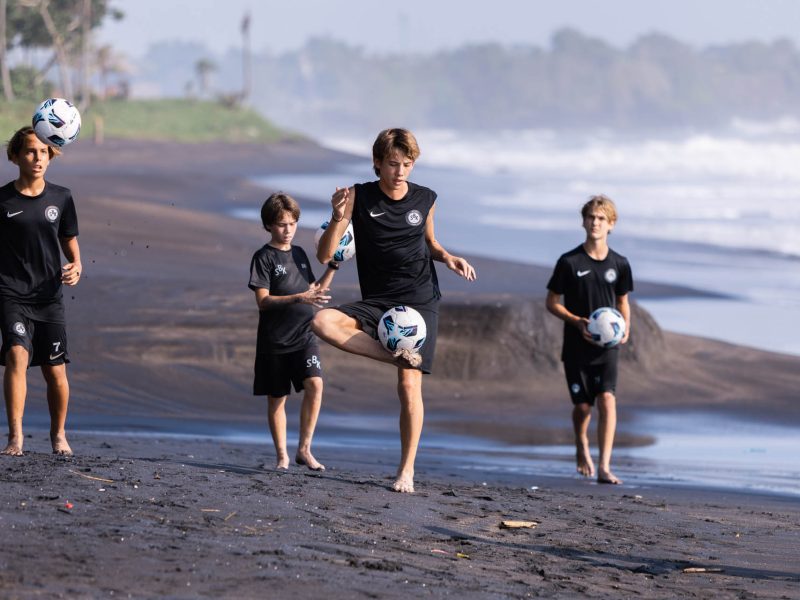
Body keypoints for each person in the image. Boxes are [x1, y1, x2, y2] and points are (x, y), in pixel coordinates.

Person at [312, 128, 476, 493]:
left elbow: (429, 243)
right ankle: (400, 356)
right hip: (377, 299)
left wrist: (448, 257)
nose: (400, 171)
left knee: (408, 385)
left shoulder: (426, 198)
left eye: (407, 164)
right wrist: (338, 216)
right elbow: (325, 254)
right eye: (392, 164)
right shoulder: (358, 196)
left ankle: (406, 471)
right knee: (322, 321)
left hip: (418, 299)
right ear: (377, 163)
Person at [1, 127, 82, 456]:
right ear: (16, 156)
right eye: (30, 152)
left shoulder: (61, 197)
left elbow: (68, 239)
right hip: (9, 293)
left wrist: (76, 264)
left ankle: (58, 434)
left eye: (43, 152)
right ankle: (15, 437)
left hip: (48, 296)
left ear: (51, 156)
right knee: (16, 355)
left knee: (55, 371)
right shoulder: (2, 199)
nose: (37, 158)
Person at [545, 195, 633, 485]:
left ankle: (605, 466)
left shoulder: (619, 264)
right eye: (591, 218)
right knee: (583, 407)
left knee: (607, 399)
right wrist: (577, 321)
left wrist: (625, 328)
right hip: (576, 345)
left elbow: (623, 302)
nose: (595, 223)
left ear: (611, 224)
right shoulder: (569, 262)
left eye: (601, 219)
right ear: (583, 221)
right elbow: (552, 302)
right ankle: (581, 441)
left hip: (607, 347)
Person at [249, 192, 338, 471]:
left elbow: (314, 291)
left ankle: (304, 449)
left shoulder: (299, 254)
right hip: (274, 341)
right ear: (269, 226)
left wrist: (334, 265)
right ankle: (282, 457)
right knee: (278, 399)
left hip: (303, 336)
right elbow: (263, 302)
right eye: (281, 224)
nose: (287, 230)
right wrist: (300, 298)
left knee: (316, 384)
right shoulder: (263, 257)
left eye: (292, 223)